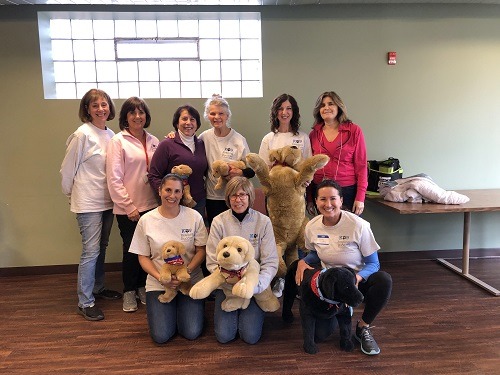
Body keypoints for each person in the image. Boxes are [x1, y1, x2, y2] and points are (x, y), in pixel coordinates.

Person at [296, 179, 392, 355]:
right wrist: (304, 261)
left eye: (333, 198)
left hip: (357, 278)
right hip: (331, 284)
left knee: (384, 280)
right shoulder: (312, 226)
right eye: (323, 199)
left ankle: (363, 327)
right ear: (316, 202)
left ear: (341, 200)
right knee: (319, 336)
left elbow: (374, 263)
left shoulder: (358, 225)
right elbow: (316, 253)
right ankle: (343, 310)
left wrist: (356, 278)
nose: (328, 204)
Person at [60, 88, 122, 322]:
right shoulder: (82, 135)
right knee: (91, 251)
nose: (101, 109)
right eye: (95, 105)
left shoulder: (110, 134)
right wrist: (71, 195)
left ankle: (98, 287)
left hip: (107, 200)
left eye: (104, 104)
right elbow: (67, 170)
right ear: (87, 109)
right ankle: (85, 301)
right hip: (88, 202)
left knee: (101, 247)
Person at [129, 174, 208, 344]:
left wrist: (186, 272)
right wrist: (162, 278)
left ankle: (187, 309)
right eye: (168, 190)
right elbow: (142, 256)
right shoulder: (146, 220)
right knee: (161, 335)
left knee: (192, 332)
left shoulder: (194, 217)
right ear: (159, 190)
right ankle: (172, 310)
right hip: (160, 282)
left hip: (189, 280)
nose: (172, 196)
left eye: (177, 191)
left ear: (182, 193)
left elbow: (202, 250)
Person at [206, 177, 278, 344]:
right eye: (233, 195)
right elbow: (211, 261)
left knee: (250, 336)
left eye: (242, 195)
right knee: (224, 336)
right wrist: (229, 282)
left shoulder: (263, 222)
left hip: (254, 285)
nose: (238, 200)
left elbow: (271, 261)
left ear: (250, 196)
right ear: (228, 198)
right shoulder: (219, 222)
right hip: (227, 286)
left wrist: (255, 285)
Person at [106, 97, 159, 313]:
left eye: (141, 112)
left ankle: (141, 287)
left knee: (148, 250)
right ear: (125, 117)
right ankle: (129, 290)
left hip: (152, 206)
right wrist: (129, 207)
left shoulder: (154, 140)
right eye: (132, 113)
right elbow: (114, 178)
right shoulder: (118, 141)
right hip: (129, 209)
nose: (138, 116)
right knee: (131, 250)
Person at [307, 91, 368, 216]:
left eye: (331, 104)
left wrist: (360, 197)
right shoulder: (314, 134)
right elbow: (309, 168)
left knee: (348, 232)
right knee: (324, 233)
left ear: (338, 107)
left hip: (347, 191)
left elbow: (362, 166)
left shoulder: (354, 131)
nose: (326, 108)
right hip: (320, 191)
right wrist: (309, 198)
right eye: (322, 105)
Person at [199, 94, 255, 225]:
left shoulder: (239, 140)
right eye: (213, 113)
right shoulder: (203, 138)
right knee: (218, 233)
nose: (217, 117)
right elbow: (189, 150)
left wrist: (241, 173)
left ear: (227, 115)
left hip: (237, 196)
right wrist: (173, 136)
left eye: (221, 113)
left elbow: (252, 171)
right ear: (207, 115)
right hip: (213, 196)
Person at [148, 105, 208, 218]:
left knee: (196, 235)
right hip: (173, 203)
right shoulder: (166, 145)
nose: (188, 123)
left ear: (197, 124)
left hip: (198, 202)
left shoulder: (201, 144)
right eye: (184, 119)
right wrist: (167, 195)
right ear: (177, 123)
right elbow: (153, 176)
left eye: (192, 119)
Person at [258, 93, 312, 167]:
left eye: (288, 108)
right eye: (280, 109)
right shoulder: (268, 139)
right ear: (275, 112)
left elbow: (308, 167)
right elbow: (263, 169)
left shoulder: (303, 137)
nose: (284, 112)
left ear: (294, 111)